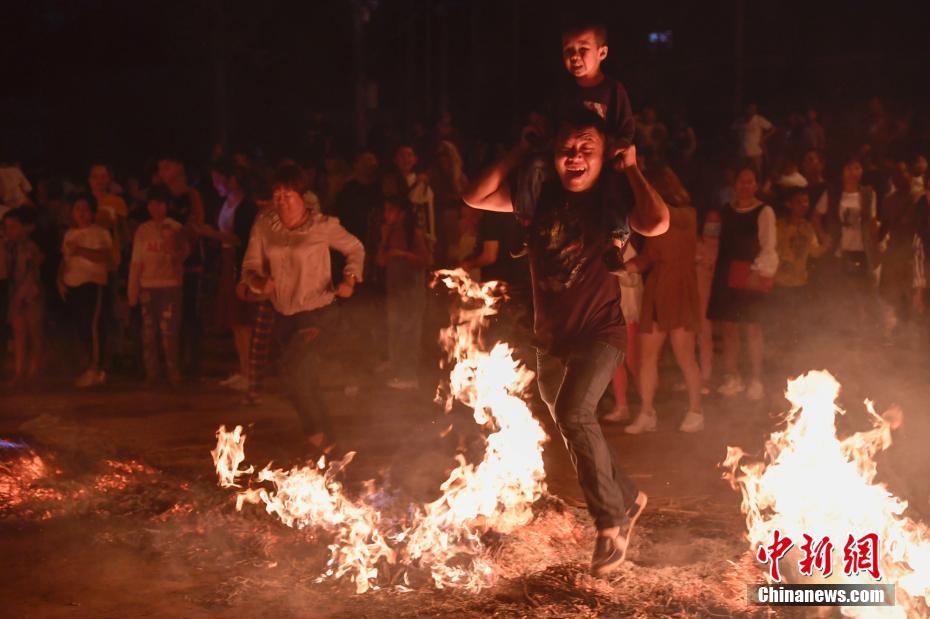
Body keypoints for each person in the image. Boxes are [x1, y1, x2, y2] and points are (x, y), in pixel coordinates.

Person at [463, 107, 669, 577]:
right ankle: (629, 496)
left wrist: (632, 166)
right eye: (565, 150)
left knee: (576, 414)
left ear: (602, 158)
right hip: (550, 341)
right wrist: (520, 148)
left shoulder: (611, 198)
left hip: (601, 333)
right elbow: (474, 196)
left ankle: (611, 526)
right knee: (573, 425)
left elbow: (657, 223)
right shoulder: (537, 199)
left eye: (586, 150)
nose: (574, 157)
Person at [240, 164, 364, 453]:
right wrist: (259, 281)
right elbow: (250, 266)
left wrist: (350, 278)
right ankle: (329, 444)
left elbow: (355, 248)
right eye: (277, 195)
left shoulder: (322, 226)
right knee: (304, 379)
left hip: (318, 313)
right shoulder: (264, 224)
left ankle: (316, 434)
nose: (282, 200)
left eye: (288, 194)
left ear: (302, 196)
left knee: (292, 372)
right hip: (284, 316)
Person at [621, 166, 704, 434]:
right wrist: (623, 267)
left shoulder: (686, 215)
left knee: (685, 356)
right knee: (647, 357)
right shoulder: (653, 219)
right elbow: (648, 257)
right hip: (658, 290)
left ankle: (696, 411)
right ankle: (647, 412)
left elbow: (669, 220)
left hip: (679, 289)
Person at [707, 166, 778, 401]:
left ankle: (756, 379)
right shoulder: (725, 211)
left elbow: (769, 245)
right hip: (726, 274)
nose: (745, 186)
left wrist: (757, 272)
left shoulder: (764, 211)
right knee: (729, 329)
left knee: (752, 329)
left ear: (756, 185)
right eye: (741, 181)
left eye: (750, 182)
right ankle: (732, 376)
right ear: (734, 184)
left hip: (751, 274)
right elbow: (715, 241)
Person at [202, 161, 258, 390]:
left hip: (240, 262)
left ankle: (250, 372)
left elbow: (240, 238)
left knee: (244, 320)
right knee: (235, 321)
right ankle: (242, 369)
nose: (216, 184)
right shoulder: (226, 202)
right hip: (226, 262)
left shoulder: (247, 206)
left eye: (219, 179)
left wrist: (213, 234)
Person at [811, 156, 880, 335]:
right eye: (849, 168)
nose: (853, 173)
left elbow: (872, 223)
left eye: (856, 168)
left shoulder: (868, 194)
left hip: (862, 251)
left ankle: (865, 337)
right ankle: (844, 336)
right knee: (843, 295)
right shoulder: (833, 193)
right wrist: (823, 236)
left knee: (865, 295)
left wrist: (876, 249)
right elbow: (816, 216)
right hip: (839, 252)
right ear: (842, 171)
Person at [128, 187, 189, 385]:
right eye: (152, 203)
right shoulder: (143, 230)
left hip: (170, 286)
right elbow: (136, 261)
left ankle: (173, 373)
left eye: (160, 203)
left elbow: (183, 255)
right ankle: (151, 374)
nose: (156, 208)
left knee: (169, 332)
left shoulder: (176, 227)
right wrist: (133, 288)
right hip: (148, 286)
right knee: (148, 333)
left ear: (167, 206)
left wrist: (173, 244)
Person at [157, 155, 206, 379]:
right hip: (163, 267)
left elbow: (196, 225)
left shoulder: (191, 196)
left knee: (189, 315)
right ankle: (168, 364)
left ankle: (191, 365)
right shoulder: (162, 197)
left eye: (167, 165)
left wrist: (179, 239)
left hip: (189, 264)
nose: (163, 170)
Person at [376, 196, 431, 389]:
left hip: (411, 292)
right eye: (385, 211)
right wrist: (384, 239)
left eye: (390, 210)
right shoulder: (389, 233)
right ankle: (396, 365)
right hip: (396, 291)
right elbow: (381, 261)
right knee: (396, 330)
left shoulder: (412, 234)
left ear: (401, 214)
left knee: (409, 332)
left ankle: (409, 376)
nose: (386, 215)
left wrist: (402, 254)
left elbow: (426, 260)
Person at [57, 194, 113, 387]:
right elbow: (65, 259)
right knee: (79, 328)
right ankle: (84, 367)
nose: (81, 213)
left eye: (85, 208)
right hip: (72, 285)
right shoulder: (69, 234)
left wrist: (79, 250)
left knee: (93, 327)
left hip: (91, 283)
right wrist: (60, 280)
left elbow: (105, 256)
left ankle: (95, 369)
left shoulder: (99, 232)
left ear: (92, 212)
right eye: (77, 209)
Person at [772, 186, 825, 345]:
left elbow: (815, 252)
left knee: (796, 322)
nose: (804, 205)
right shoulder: (778, 226)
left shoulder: (807, 228)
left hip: (800, 282)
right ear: (789, 204)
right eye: (799, 201)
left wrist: (827, 243)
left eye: (806, 201)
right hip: (780, 282)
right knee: (782, 322)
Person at [876, 162, 919, 338]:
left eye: (904, 172)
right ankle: (900, 333)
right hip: (895, 254)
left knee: (913, 297)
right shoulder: (888, 201)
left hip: (914, 253)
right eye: (897, 174)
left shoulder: (920, 198)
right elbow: (882, 230)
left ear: (910, 173)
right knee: (894, 298)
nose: (901, 177)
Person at [4, 209, 44, 384]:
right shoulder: (7, 247)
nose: (9, 231)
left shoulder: (31, 247)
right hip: (15, 293)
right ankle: (19, 371)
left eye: (13, 227)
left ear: (25, 228)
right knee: (19, 333)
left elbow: (32, 274)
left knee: (34, 332)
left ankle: (34, 370)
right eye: (6, 228)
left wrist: (21, 296)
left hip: (31, 294)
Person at [695, 209, 720, 393]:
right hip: (691, 296)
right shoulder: (695, 244)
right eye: (709, 223)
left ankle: (705, 377)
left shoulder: (721, 248)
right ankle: (694, 376)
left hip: (708, 299)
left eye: (716, 224)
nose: (712, 228)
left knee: (705, 336)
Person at [393, 145, 435, 245]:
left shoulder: (421, 183)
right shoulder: (390, 183)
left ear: (415, 160)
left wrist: (430, 235)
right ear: (395, 159)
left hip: (416, 232)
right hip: (395, 232)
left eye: (409, 155)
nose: (406, 159)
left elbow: (428, 210)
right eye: (402, 155)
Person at [732, 103, 775, 176]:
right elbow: (732, 130)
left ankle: (759, 186)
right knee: (741, 172)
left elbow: (773, 129)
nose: (752, 111)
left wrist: (764, 138)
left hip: (756, 152)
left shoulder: (759, 119)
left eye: (754, 109)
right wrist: (737, 141)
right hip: (742, 152)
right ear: (746, 110)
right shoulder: (740, 121)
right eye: (750, 109)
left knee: (758, 173)